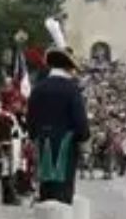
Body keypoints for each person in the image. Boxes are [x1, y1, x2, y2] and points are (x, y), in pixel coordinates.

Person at [27, 40, 90, 204]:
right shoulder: (71, 89)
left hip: (43, 141)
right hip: (66, 144)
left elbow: (31, 118)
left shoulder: (38, 88)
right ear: (68, 67)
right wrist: (83, 137)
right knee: (63, 187)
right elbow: (80, 121)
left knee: (46, 184)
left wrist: (35, 135)